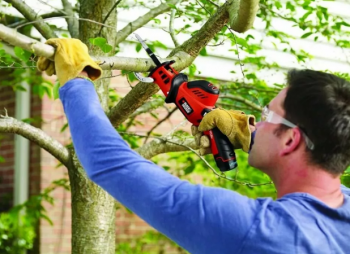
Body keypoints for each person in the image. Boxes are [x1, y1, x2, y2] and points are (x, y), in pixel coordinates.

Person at [37, 38, 350, 254]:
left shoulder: (256, 230)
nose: (255, 120)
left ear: (292, 139)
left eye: (266, 115)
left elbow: (112, 165)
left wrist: (76, 79)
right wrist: (247, 135)